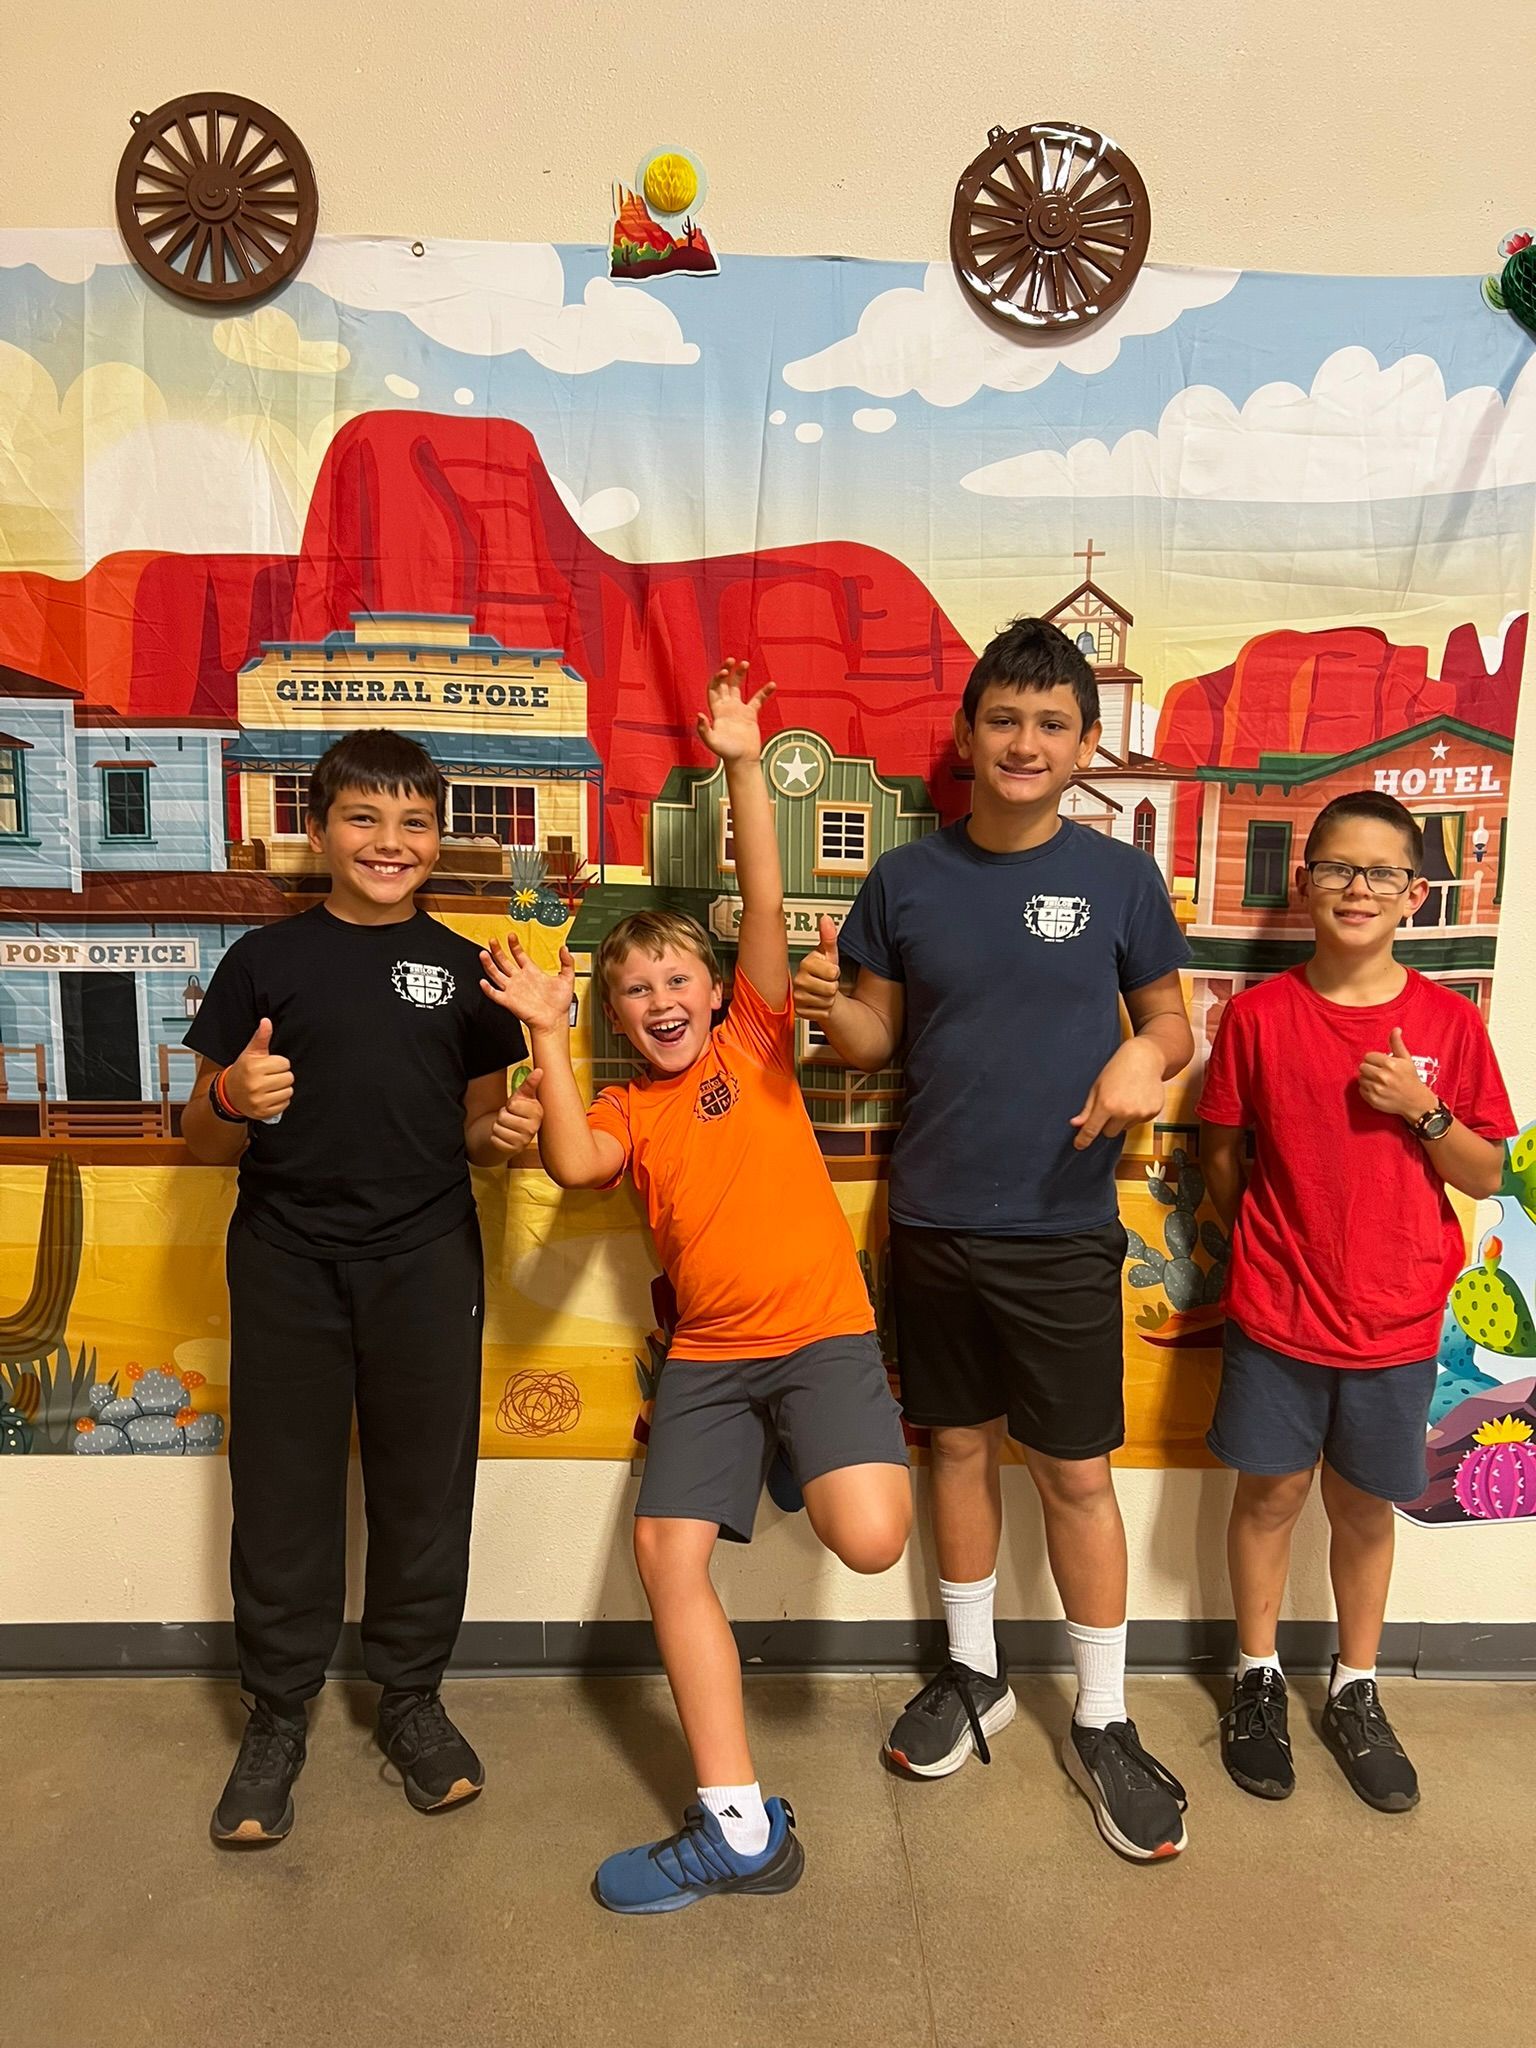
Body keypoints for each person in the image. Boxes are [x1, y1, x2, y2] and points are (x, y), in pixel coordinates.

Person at [479, 661, 913, 1913]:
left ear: (717, 991)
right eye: (634, 992)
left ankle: (797, 1447)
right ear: (615, 1014)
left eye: (678, 981)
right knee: (668, 1553)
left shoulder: (759, 1041)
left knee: (872, 1537)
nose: (661, 1000)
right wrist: (549, 1042)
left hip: (826, 1333)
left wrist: (738, 759)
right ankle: (737, 1826)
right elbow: (570, 1161)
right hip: (713, 1358)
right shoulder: (621, 1099)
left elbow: (764, 893)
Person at [794, 615, 1196, 1863]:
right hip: (931, 1219)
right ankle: (975, 1676)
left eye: (1053, 723)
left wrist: (1146, 1052)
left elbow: (1174, 1025)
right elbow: (876, 1042)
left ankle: (1109, 1715)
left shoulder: (1122, 879)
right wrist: (831, 1009)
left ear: (1086, 744)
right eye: (1005, 719)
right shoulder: (904, 879)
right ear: (968, 736)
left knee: (1076, 1473)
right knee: (954, 1449)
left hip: (1064, 1225)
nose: (1026, 741)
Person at [183, 729, 540, 1846]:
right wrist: (234, 1097)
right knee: (282, 1487)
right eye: (364, 818)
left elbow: (477, 1127)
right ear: (320, 828)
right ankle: (277, 1715)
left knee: (424, 1484)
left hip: (427, 1257)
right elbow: (198, 1136)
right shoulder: (262, 963)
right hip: (286, 1256)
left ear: (439, 838)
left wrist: (509, 1129)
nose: (390, 842)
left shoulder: (469, 969)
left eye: (413, 822)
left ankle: (413, 1701)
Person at [1200, 789, 1513, 1812]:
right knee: (1272, 1493)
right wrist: (1266, 1244)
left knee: (1362, 1504)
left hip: (1397, 1314)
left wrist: (1422, 1110)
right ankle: (1255, 1677)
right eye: (1337, 867)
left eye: (1381, 873)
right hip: (1278, 1310)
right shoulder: (1256, 1016)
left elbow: (1483, 1171)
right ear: (1306, 882)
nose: (1357, 888)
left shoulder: (1449, 1024)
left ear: (1414, 895)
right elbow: (1223, 1152)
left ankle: (1355, 1684)